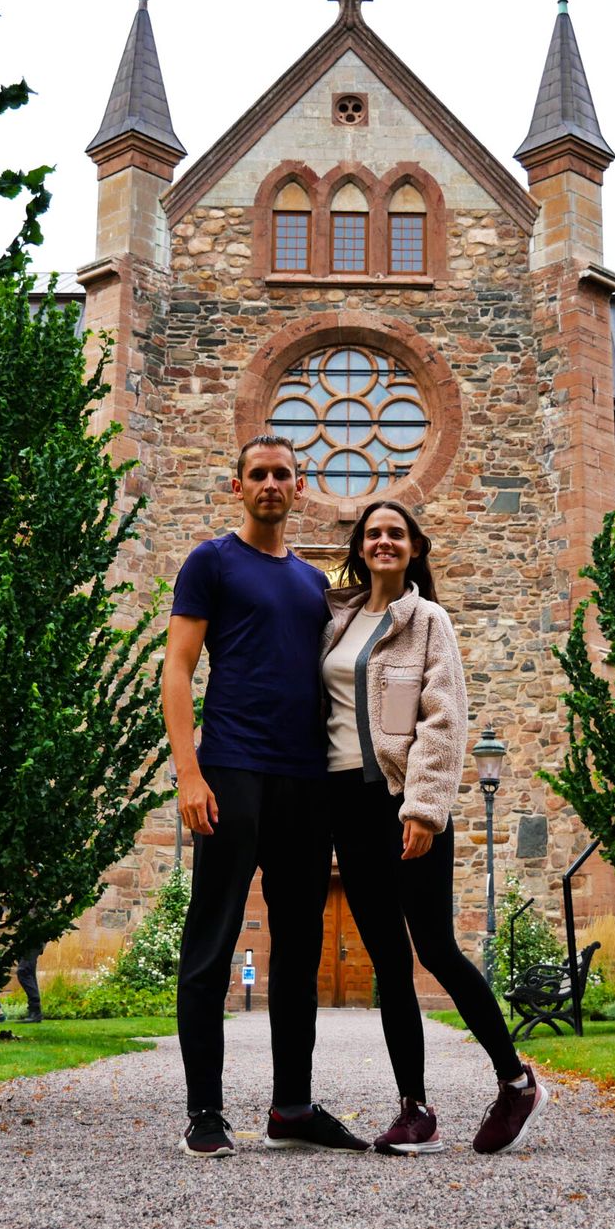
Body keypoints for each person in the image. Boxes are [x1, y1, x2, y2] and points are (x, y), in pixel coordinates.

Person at [163, 435, 371, 1159]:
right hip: (230, 769)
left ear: (300, 484)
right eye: (259, 474)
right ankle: (204, 1113)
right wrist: (189, 774)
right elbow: (179, 669)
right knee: (212, 940)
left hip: (305, 779)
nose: (272, 484)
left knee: (300, 945)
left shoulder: (316, 583)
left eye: (283, 473)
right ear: (238, 486)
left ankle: (292, 1106)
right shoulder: (211, 562)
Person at [321, 500, 549, 1155]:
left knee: (436, 949)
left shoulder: (427, 621)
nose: (383, 541)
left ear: (414, 547)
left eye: (395, 533)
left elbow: (441, 720)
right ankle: (414, 1111)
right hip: (345, 804)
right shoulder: (336, 622)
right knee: (388, 964)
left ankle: (515, 1080)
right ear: (360, 547)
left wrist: (423, 809)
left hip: (401, 804)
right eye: (372, 533)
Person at [0, 942, 43, 1024]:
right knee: (28, 972)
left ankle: (35, 1011)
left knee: (24, 971)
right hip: (27, 941)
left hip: (34, 939)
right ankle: (35, 1011)